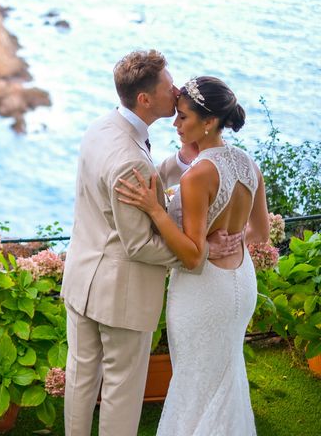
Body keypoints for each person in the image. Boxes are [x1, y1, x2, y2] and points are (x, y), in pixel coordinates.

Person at [61, 50, 242, 436]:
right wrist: (202, 252)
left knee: (80, 378)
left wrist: (180, 160)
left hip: (81, 279)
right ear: (145, 99)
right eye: (167, 86)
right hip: (121, 294)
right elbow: (140, 245)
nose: (175, 90)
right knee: (121, 391)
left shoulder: (103, 128)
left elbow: (141, 178)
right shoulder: (131, 159)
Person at [116, 76, 270, 435]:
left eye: (183, 117)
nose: (175, 124)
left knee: (193, 382)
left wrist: (155, 210)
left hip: (203, 293)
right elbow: (260, 233)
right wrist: (233, 242)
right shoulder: (248, 163)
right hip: (241, 282)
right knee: (226, 376)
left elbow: (191, 255)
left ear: (209, 121)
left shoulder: (197, 176)